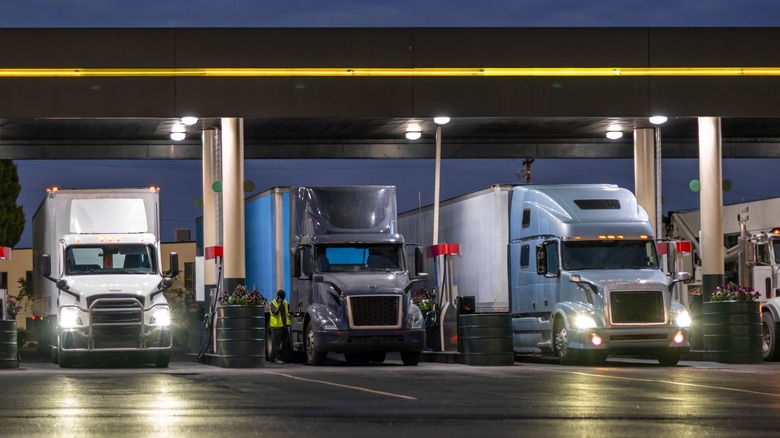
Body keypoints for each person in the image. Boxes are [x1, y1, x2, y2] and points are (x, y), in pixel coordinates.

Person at [268, 289, 291, 364]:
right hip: (276, 326)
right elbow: (275, 312)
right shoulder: (272, 303)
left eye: (284, 298)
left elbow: (287, 313)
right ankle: (277, 358)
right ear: (278, 296)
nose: (283, 299)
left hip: (284, 326)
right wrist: (279, 304)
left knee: (286, 342)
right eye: (281, 298)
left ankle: (284, 357)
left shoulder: (285, 302)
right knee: (277, 344)